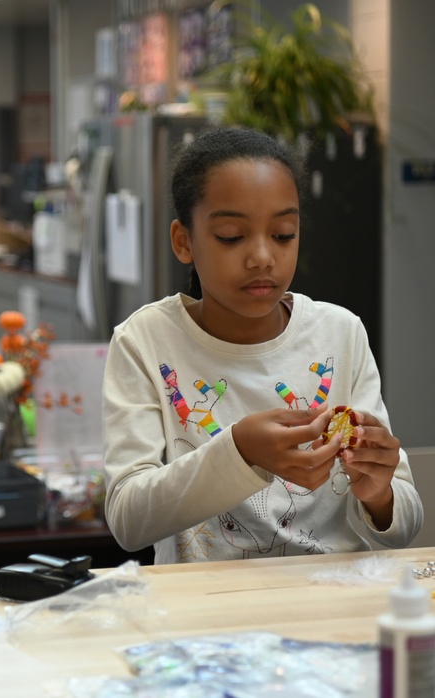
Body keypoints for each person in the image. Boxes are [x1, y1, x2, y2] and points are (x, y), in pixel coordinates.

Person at [101, 127, 422, 564]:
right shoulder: (145, 342)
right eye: (232, 236)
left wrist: (379, 492)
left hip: (330, 597)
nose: (262, 257)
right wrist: (238, 452)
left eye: (283, 234)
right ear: (184, 241)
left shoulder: (339, 333)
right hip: (204, 612)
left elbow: (403, 527)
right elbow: (127, 521)